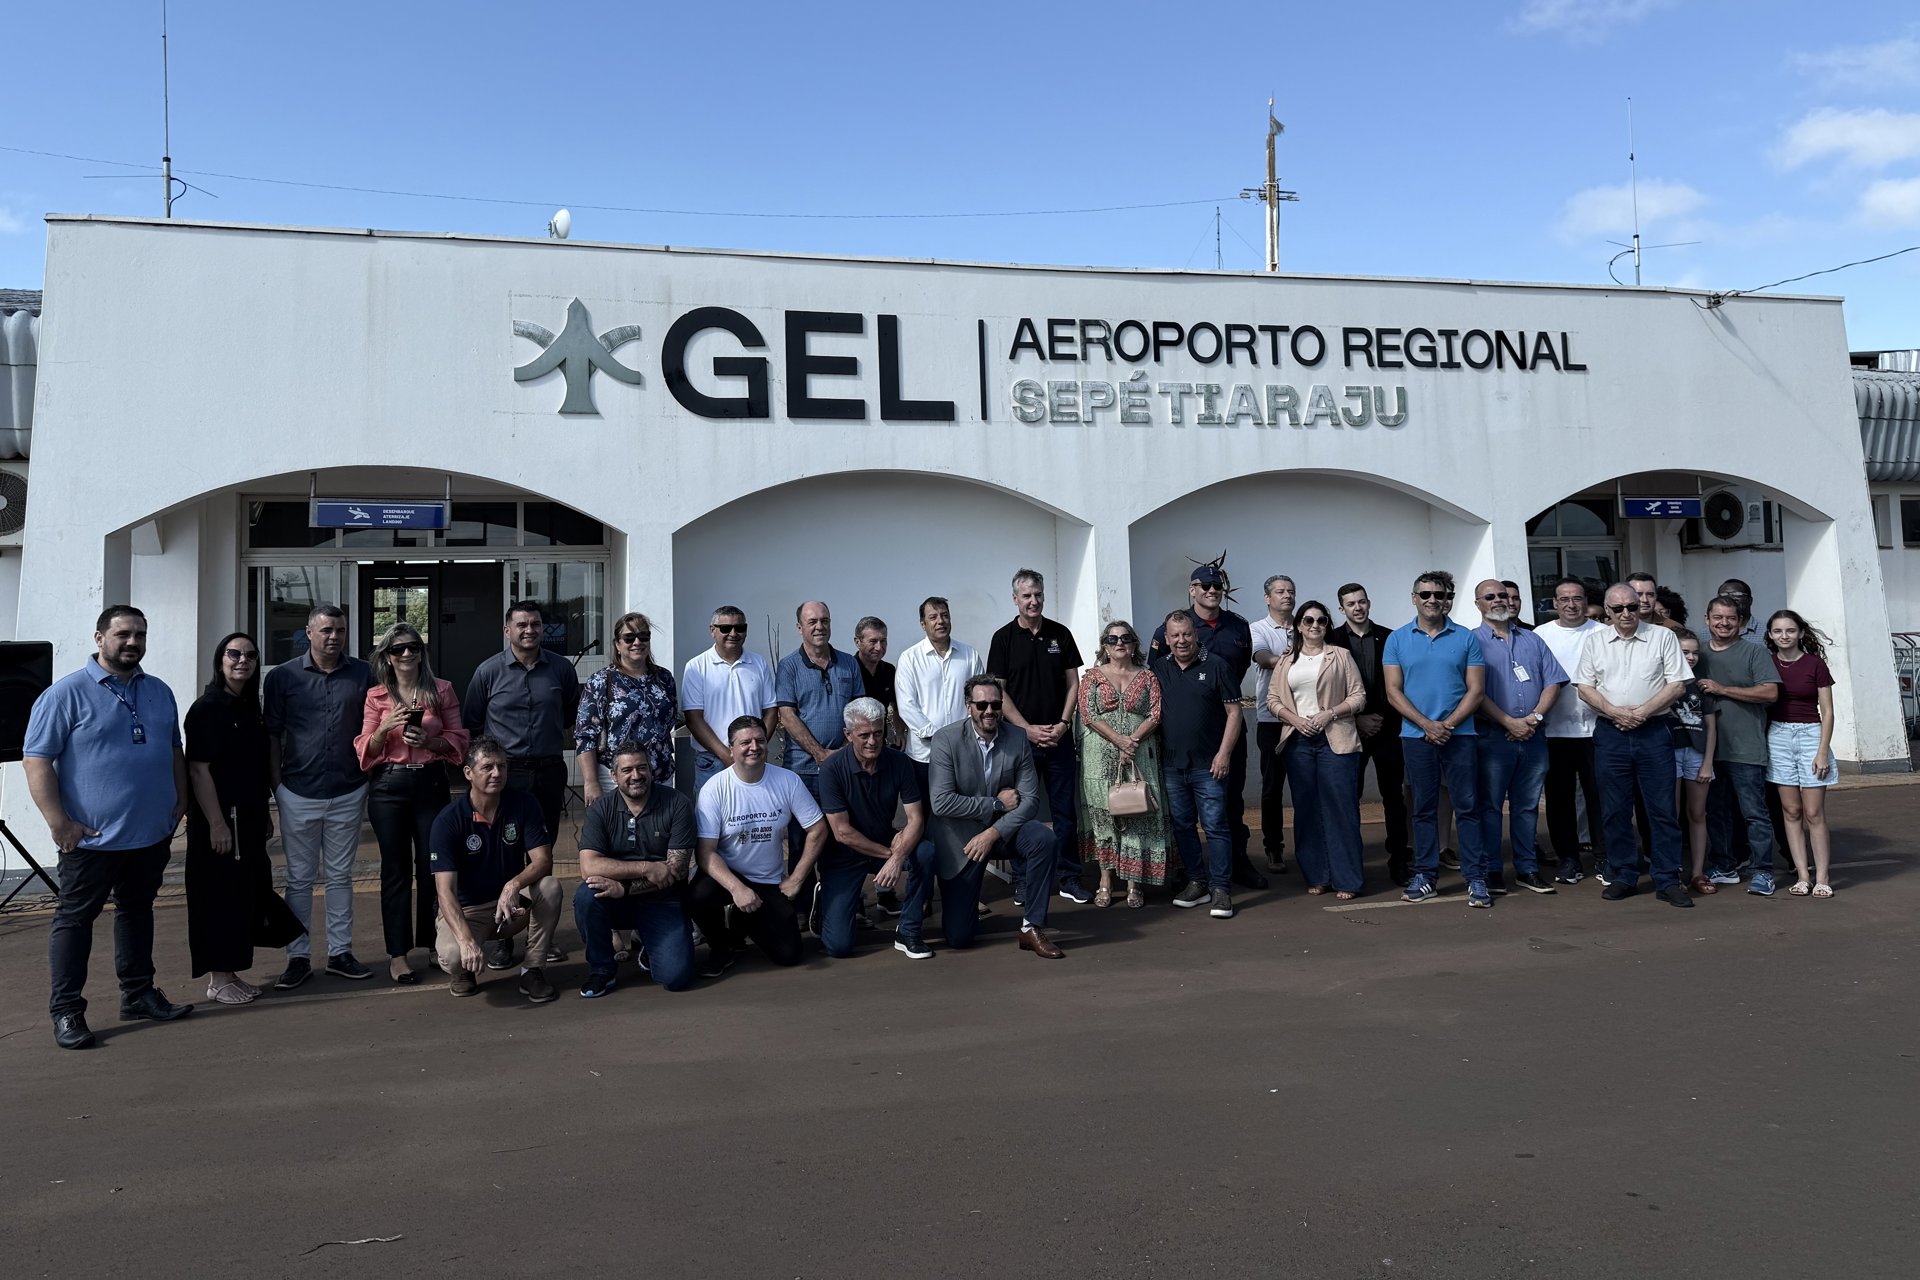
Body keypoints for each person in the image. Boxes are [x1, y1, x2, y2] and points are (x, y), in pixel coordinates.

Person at [26, 606, 192, 1049]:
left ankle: (138, 994)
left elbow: (173, 749)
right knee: (75, 921)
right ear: (100, 638)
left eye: (140, 634)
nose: (133, 642)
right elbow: (36, 760)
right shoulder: (65, 694)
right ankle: (66, 1011)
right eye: (123, 634)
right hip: (91, 841)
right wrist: (59, 823)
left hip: (150, 835)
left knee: (137, 912)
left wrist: (180, 800)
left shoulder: (159, 691)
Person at [907, 675, 1064, 957]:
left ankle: (1032, 928)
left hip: (1002, 831)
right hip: (960, 841)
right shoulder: (946, 739)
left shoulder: (1016, 737)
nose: (989, 711)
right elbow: (941, 803)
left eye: (995, 704)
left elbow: (1030, 800)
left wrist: (992, 833)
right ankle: (964, 907)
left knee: (1044, 839)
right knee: (959, 938)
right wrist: (996, 804)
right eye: (981, 705)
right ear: (968, 706)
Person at [265, 603, 375, 988]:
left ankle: (340, 953)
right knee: (299, 879)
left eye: (340, 630)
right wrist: (277, 785)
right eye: (326, 630)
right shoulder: (282, 677)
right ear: (309, 632)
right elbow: (272, 734)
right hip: (297, 790)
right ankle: (297, 957)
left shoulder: (364, 673)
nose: (333, 637)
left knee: (341, 876)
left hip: (349, 788)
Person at [186, 632, 297, 1005]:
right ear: (220, 660)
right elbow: (198, 770)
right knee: (219, 897)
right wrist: (217, 823)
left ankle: (231, 973)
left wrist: (264, 812)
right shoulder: (207, 708)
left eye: (250, 655)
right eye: (234, 654)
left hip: (248, 818)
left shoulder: (248, 707)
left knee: (244, 894)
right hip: (220, 822)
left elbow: (254, 767)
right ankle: (218, 979)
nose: (242, 661)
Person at [356, 622, 469, 984]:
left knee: (433, 866)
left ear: (422, 653)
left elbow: (459, 739)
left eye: (413, 647)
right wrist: (384, 727)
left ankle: (436, 942)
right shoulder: (376, 695)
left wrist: (430, 742)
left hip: (430, 782)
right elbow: (364, 750)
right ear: (387, 657)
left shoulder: (441, 690)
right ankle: (398, 954)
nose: (406, 653)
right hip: (389, 786)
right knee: (396, 870)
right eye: (398, 649)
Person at [1575, 585, 1694, 908]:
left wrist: (1641, 713)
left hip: (1653, 730)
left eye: (1631, 606)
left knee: (1662, 809)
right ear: (1607, 611)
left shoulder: (1662, 637)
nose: (1626, 613)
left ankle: (1667, 879)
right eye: (1618, 609)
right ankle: (1624, 875)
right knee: (1614, 809)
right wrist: (1615, 712)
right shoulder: (1595, 641)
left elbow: (1677, 684)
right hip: (1611, 732)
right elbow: (1584, 687)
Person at [1152, 562, 1265, 892]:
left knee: (1231, 804)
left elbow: (1237, 672)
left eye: (1217, 586)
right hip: (1184, 740)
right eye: (1205, 586)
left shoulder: (1238, 626)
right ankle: (1190, 871)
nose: (1212, 590)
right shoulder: (1172, 627)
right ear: (1192, 590)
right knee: (1183, 816)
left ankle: (1238, 864)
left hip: (1227, 730)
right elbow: (1158, 678)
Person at [426, 738, 563, 1002]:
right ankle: (464, 970)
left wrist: (513, 885)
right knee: (454, 956)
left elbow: (543, 860)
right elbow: (445, 892)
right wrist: (466, 941)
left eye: (502, 766)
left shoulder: (523, 803)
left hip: (510, 907)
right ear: (468, 773)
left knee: (550, 887)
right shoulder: (448, 820)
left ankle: (533, 969)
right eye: (487, 767)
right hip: (468, 912)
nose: (497, 773)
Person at [689, 717, 826, 974]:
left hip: (767, 881)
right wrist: (737, 888)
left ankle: (744, 919)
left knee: (789, 954)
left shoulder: (787, 780)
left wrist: (796, 878)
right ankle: (721, 945)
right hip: (727, 877)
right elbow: (705, 852)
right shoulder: (714, 789)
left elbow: (818, 828)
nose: (754, 747)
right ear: (731, 749)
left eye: (760, 740)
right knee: (697, 896)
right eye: (745, 742)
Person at [1383, 571, 1488, 906]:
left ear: (1448, 600)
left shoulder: (1466, 638)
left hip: (1461, 736)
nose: (1432, 600)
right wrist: (1427, 725)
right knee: (1423, 809)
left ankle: (1476, 878)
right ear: (1414, 598)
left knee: (1467, 807)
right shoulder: (1397, 639)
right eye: (1425, 594)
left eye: (1439, 595)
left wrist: (1448, 725)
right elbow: (1393, 691)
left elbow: (1476, 690)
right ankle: (1426, 875)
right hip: (1416, 737)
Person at [988, 569, 1088, 904]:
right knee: (1019, 811)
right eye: (1027, 596)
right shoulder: (1003, 639)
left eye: (1038, 595)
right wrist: (1026, 729)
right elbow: (999, 692)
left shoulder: (1060, 634)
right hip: (1019, 742)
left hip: (1059, 739)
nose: (1034, 601)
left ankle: (1069, 876)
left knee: (1065, 813)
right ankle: (1023, 878)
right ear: (1015, 599)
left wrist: (1063, 724)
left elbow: (1073, 683)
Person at [572, 744, 697, 997]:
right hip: (614, 899)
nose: (636, 776)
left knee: (676, 978)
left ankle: (651, 945)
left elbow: (677, 869)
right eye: (627, 770)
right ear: (614, 776)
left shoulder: (677, 804)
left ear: (651, 770)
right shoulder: (601, 809)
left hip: (662, 900)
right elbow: (589, 866)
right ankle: (601, 970)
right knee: (587, 895)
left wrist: (625, 887)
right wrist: (646, 868)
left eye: (642, 768)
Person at [1266, 602, 1369, 899]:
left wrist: (1330, 714)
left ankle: (1347, 879)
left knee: (1341, 808)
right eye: (1309, 620)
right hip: (1298, 741)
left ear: (1327, 625)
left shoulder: (1341, 656)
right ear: (1299, 625)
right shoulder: (1286, 661)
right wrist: (1295, 720)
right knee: (1307, 809)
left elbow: (1358, 696)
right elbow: (1273, 700)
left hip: (1335, 739)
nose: (1315, 625)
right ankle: (1317, 875)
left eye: (1321, 621)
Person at [1471, 580, 1567, 896]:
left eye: (1503, 595)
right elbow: (1474, 692)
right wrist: (1509, 722)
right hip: (1492, 738)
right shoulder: (1471, 642)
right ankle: (1492, 870)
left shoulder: (1533, 639)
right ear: (1478, 603)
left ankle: (1527, 868)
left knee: (1527, 807)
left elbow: (1553, 681)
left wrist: (1534, 718)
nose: (1499, 600)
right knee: (1490, 807)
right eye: (1490, 596)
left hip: (1533, 737)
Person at [461, 600, 580, 851]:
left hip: (549, 772)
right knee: (505, 843)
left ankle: (539, 878)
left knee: (544, 843)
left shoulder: (561, 668)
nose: (529, 630)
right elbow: (472, 721)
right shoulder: (488, 671)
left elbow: (571, 713)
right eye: (522, 625)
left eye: (536, 624)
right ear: (508, 631)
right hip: (505, 773)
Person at [774, 601, 864, 914]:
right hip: (802, 772)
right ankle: (802, 909)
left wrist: (843, 754)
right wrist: (821, 754)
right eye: (812, 621)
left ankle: (840, 905)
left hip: (842, 769)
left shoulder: (848, 664)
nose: (819, 626)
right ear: (799, 627)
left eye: (824, 620)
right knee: (801, 842)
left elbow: (858, 712)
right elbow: (787, 715)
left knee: (842, 840)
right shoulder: (788, 666)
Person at [818, 698, 926, 957]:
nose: (873, 741)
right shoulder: (831, 768)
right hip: (844, 854)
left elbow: (916, 819)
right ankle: (827, 897)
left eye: (878, 733)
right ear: (848, 735)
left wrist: (898, 857)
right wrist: (891, 856)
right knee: (839, 946)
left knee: (926, 853)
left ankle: (908, 930)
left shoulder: (899, 761)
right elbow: (842, 832)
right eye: (864, 735)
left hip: (883, 839)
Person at [1154, 611, 1244, 919]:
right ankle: (1197, 883)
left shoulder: (1217, 666)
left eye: (1187, 634)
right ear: (1167, 639)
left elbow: (1234, 713)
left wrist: (1224, 754)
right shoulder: (1159, 669)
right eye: (1175, 635)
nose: (1182, 640)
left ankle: (1221, 889)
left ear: (1196, 635)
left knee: (1216, 827)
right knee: (1182, 826)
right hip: (1172, 767)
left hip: (1209, 766)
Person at [1075, 619, 1169, 908]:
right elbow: (1088, 713)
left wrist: (1132, 742)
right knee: (1104, 814)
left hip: (1139, 753)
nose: (1119, 643)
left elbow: (1155, 714)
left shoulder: (1148, 676)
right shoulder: (1091, 677)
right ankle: (1105, 879)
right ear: (1105, 646)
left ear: (1134, 644)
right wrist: (1120, 740)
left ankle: (1133, 881)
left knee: (1137, 810)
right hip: (1099, 756)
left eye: (1125, 638)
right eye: (1113, 639)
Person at [1695, 594, 1781, 895]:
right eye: (1718, 617)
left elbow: (1770, 693)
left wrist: (1723, 689)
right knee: (1716, 812)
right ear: (1707, 619)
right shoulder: (1697, 654)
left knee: (1754, 813)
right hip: (1706, 751)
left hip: (1746, 748)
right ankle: (1724, 865)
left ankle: (1763, 871)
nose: (1724, 623)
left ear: (1741, 622)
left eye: (1731, 618)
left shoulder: (1755, 653)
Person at [1329, 582, 1411, 884]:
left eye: (1361, 601)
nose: (1358, 608)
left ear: (1369, 603)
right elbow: (1328, 688)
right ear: (1342, 609)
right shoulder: (1332, 640)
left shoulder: (1390, 637)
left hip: (1388, 728)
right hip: (1349, 730)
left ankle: (1399, 860)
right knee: (1350, 798)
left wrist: (1379, 718)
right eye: (1351, 604)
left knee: (1394, 798)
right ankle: (1351, 863)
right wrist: (1357, 718)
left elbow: (1400, 684)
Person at [1536, 579, 1608, 884]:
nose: (1571, 604)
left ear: (1585, 601)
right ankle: (1568, 858)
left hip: (1597, 729)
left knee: (1600, 797)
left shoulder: (1603, 632)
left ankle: (1605, 856)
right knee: (1559, 799)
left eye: (1576, 598)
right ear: (1555, 603)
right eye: (1564, 599)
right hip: (1554, 731)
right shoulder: (1541, 635)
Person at [1764, 610, 1837, 896]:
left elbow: (1827, 712)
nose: (1784, 636)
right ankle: (1803, 876)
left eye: (1790, 630)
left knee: (1813, 812)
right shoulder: (1767, 663)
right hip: (1778, 737)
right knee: (1791, 811)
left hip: (1811, 736)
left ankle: (1823, 878)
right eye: (1778, 631)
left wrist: (1822, 752)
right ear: (1770, 635)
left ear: (1801, 633)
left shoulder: (1815, 664)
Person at [575, 611, 678, 803]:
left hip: (660, 775)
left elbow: (669, 722)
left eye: (643, 636)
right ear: (617, 644)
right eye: (629, 638)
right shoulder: (601, 681)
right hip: (618, 779)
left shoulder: (664, 678)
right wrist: (591, 782)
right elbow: (585, 736)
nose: (637, 642)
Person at [681, 605, 777, 793]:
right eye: (725, 628)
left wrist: (756, 747)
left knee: (753, 809)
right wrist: (727, 756)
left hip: (752, 758)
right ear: (712, 631)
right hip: (712, 760)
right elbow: (693, 719)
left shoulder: (759, 663)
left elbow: (771, 711)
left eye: (739, 628)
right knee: (711, 812)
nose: (733, 633)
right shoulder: (696, 667)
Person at [1250, 574, 1298, 874]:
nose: (1287, 595)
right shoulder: (1258, 628)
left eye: (1291, 591)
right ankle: (1273, 847)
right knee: (1272, 788)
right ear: (1268, 598)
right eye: (1280, 591)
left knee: (1307, 787)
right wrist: (1298, 660)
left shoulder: (1306, 625)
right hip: (1272, 719)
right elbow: (1263, 657)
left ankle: (1309, 845)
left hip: (1305, 718)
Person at [1669, 630, 1719, 894]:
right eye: (1684, 652)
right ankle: (1673, 872)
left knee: (1698, 814)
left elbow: (1711, 727)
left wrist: (1708, 762)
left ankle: (1698, 872)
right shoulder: (1663, 682)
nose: (1690, 657)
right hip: (1669, 754)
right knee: (1671, 815)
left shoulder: (1701, 686)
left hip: (1697, 755)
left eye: (1695, 652)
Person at [852, 616, 902, 749]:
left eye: (883, 641)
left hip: (880, 744)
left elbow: (897, 705)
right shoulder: (848, 671)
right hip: (854, 745)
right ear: (858, 642)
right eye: (873, 641)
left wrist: (900, 732)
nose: (879, 647)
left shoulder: (889, 670)